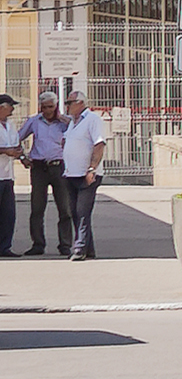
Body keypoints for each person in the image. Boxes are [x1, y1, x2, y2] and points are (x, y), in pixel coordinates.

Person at [59, 91, 108, 259]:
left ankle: (79, 248)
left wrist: (92, 168)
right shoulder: (73, 122)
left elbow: (99, 144)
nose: (67, 106)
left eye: (69, 102)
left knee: (82, 212)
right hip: (71, 173)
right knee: (75, 211)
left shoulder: (92, 120)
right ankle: (88, 248)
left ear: (80, 103)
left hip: (86, 174)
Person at [17, 94, 62, 256]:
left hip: (59, 167)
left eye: (51, 107)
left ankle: (65, 244)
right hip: (39, 167)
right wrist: (22, 157)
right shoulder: (34, 121)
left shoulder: (64, 123)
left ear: (56, 106)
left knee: (65, 208)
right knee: (37, 208)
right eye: (44, 107)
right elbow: (17, 138)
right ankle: (38, 244)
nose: (48, 111)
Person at [0, 94, 17, 256]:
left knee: (8, 214)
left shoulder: (11, 125)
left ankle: (5, 247)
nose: (13, 109)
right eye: (10, 106)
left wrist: (20, 154)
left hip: (8, 176)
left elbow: (16, 143)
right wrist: (5, 151)